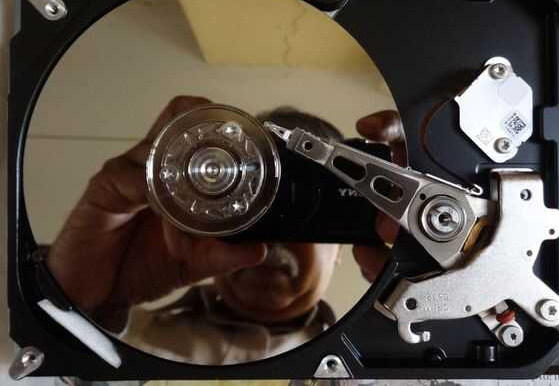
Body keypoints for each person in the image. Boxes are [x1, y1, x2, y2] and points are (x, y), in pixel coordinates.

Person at [46, 96, 403, 365]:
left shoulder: (386, 359)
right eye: (251, 204)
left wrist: (434, 245)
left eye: (300, 208)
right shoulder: (111, 339)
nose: (272, 236)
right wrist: (77, 305)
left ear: (341, 246)